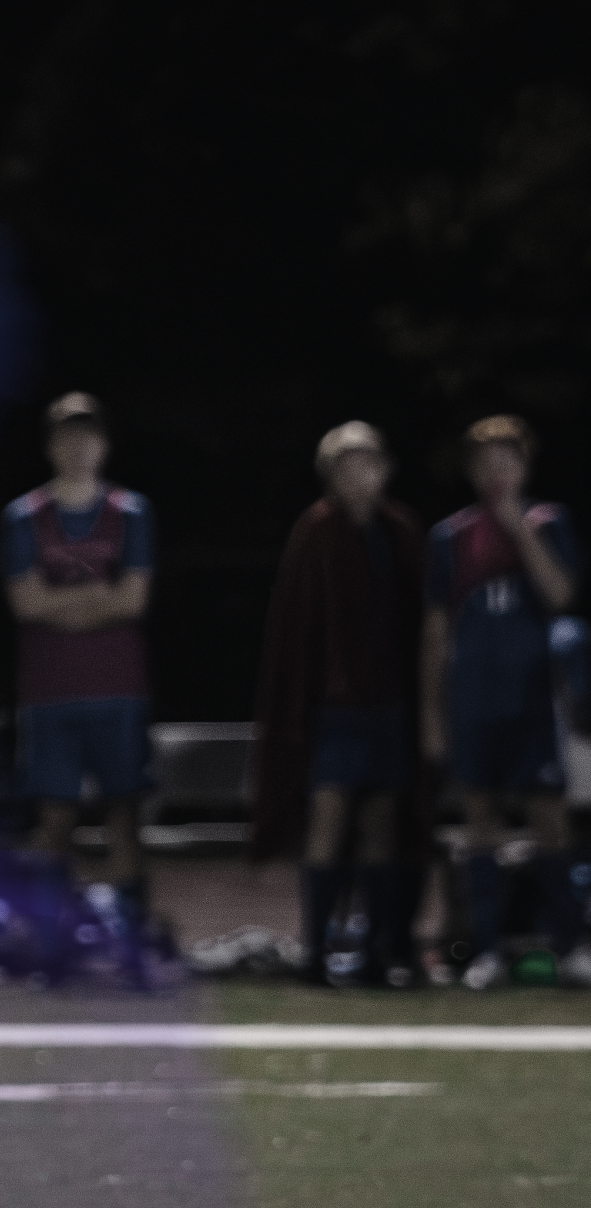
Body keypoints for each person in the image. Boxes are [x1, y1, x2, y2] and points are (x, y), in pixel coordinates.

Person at [251, 422, 427, 985]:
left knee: (381, 823)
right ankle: (316, 949)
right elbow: (296, 627)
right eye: (346, 464)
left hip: (388, 705)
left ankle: (376, 948)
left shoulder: (399, 530)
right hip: (334, 708)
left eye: (368, 462)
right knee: (327, 820)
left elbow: (417, 619)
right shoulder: (317, 531)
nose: (359, 474)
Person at [422, 414, 587, 990]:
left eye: (507, 459)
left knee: (550, 821)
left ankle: (570, 945)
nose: (496, 470)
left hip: (534, 701)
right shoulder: (450, 537)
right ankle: (486, 949)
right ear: (469, 470)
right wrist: (433, 714)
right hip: (474, 702)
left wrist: (518, 528)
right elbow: (438, 631)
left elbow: (562, 595)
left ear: (525, 466)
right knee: (481, 824)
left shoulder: (548, 523)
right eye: (485, 461)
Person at [0, 393, 154, 912]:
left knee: (123, 814)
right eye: (66, 436)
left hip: (117, 690)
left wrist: (61, 603)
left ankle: (129, 933)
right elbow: (25, 603)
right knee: (55, 819)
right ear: (49, 446)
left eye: (88, 435)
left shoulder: (131, 512)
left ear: (104, 445)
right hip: (50, 692)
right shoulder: (24, 517)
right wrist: (94, 599)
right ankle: (50, 937)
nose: (78, 446)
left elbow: (133, 600)